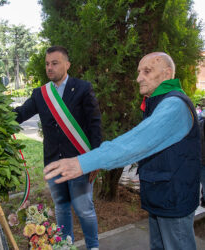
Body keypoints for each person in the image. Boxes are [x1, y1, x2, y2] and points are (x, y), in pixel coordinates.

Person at [44, 52, 201, 250]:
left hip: (173, 201)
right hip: (162, 198)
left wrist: (83, 162)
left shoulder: (174, 106)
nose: (138, 78)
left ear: (167, 74)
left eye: (147, 71)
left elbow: (134, 143)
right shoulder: (160, 103)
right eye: (138, 72)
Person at [14, 46, 101, 250]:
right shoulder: (41, 94)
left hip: (79, 162)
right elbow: (20, 114)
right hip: (53, 163)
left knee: (83, 209)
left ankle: (93, 246)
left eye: (55, 63)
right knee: (61, 208)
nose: (49, 67)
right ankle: (66, 245)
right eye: (47, 64)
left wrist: (96, 158)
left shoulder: (82, 88)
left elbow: (95, 124)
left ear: (67, 64)